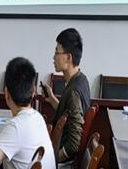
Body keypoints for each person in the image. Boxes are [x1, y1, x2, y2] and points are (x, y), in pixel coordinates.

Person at [0, 57, 55, 169]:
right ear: (34, 91)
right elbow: (13, 147)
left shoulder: (16, 126)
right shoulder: (37, 117)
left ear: (6, 93)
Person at [40, 28, 91, 163]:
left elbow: (73, 145)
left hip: (64, 161)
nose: (53, 57)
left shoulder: (73, 91)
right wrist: (52, 99)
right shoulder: (81, 79)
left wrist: (51, 161)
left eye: (57, 52)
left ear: (68, 57)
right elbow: (68, 114)